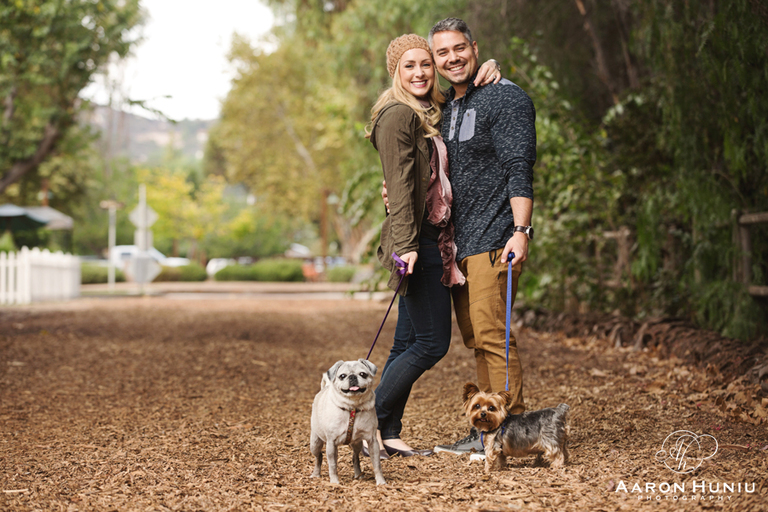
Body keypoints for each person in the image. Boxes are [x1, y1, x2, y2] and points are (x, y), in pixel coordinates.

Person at [365, 34, 503, 459]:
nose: (421, 72)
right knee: (430, 343)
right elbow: (403, 189)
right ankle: (367, 420)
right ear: (395, 72)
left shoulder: (427, 112)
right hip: (417, 242)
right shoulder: (397, 116)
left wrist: (490, 68)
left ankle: (387, 432)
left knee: (406, 342)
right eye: (410, 66)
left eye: (426, 64)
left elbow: (463, 90)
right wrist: (406, 244)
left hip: (432, 239)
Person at [424, 17, 537, 455]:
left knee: (494, 336)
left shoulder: (505, 98)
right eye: (442, 53)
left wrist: (521, 231)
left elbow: (518, 167)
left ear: (474, 47)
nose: (452, 58)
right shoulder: (447, 107)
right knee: (478, 340)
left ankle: (518, 434)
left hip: (495, 237)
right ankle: (486, 434)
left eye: (459, 49)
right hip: (458, 245)